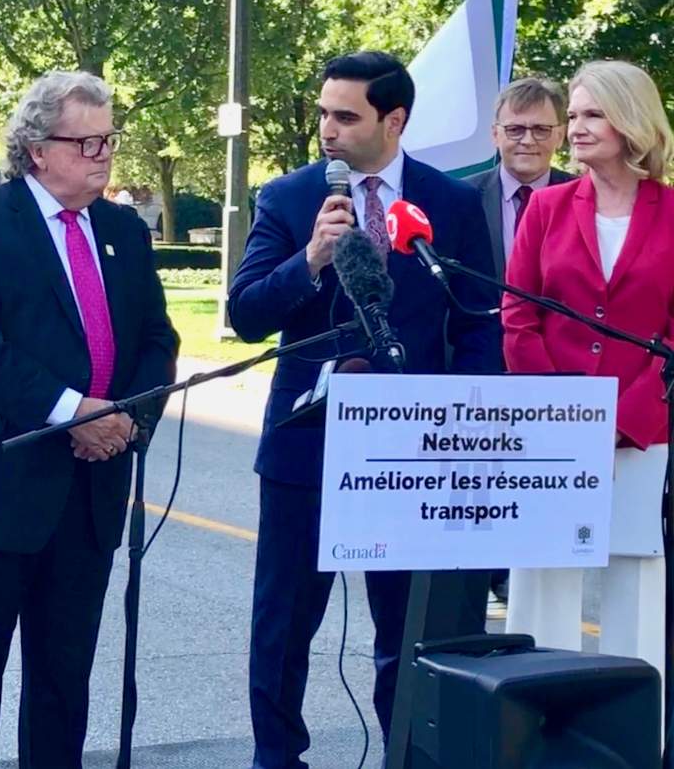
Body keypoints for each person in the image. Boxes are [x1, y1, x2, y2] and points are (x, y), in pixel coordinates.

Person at [230, 50, 503, 769]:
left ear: (395, 119)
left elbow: (479, 322)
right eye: (323, 112)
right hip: (307, 445)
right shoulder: (288, 199)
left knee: (405, 631)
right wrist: (311, 260)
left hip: (412, 453)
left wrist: (452, 418)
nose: (327, 128)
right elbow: (248, 311)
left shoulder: (450, 202)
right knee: (283, 624)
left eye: (345, 116)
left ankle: (406, 753)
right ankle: (276, 755)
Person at [0, 70, 179, 769]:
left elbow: (157, 339)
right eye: (86, 140)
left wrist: (126, 420)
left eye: (109, 138)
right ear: (37, 150)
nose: (103, 152)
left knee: (63, 686)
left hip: (88, 495)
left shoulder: (121, 229)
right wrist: (70, 414)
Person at [502, 59, 674, 678]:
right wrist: (563, 411)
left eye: (592, 114)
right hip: (551, 431)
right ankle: (531, 727)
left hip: (643, 434)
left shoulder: (672, 211)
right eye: (572, 115)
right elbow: (519, 314)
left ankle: (634, 737)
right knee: (544, 577)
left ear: (631, 120)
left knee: (636, 580)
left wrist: (623, 417)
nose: (574, 127)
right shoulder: (546, 208)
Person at [465, 76, 576, 611]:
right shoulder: (461, 199)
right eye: (514, 128)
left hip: (554, 369)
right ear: (494, 134)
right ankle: (479, 568)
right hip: (478, 366)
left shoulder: (587, 201)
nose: (526, 140)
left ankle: (519, 574)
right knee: (478, 477)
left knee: (535, 481)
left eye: (539, 129)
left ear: (560, 135)